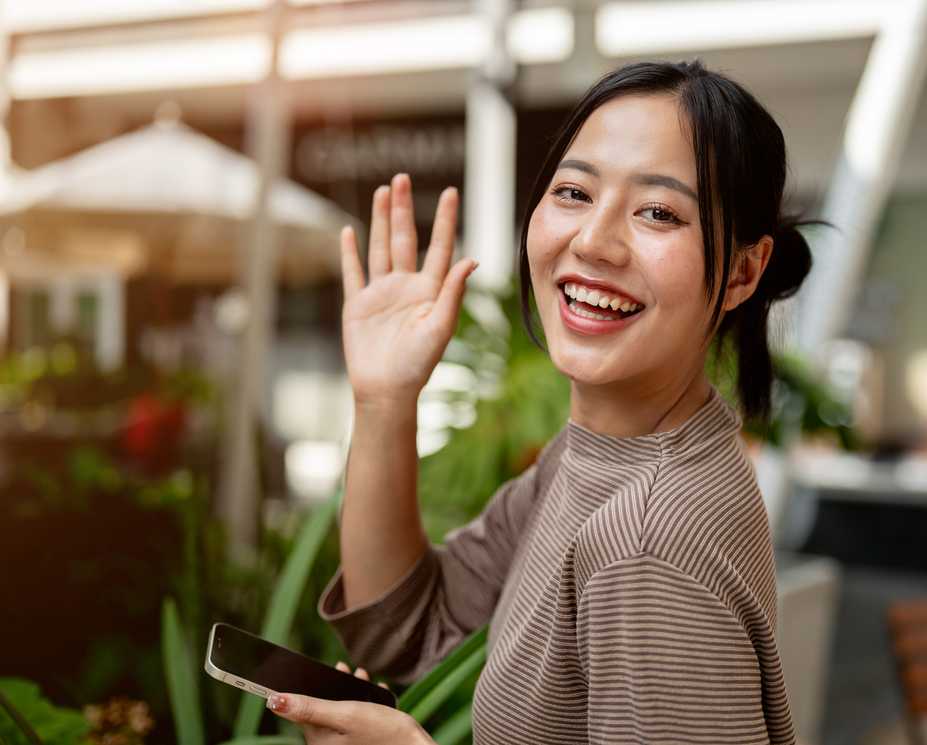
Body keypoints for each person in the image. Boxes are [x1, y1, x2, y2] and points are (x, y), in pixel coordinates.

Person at [267, 60, 813, 744]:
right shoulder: (599, 458)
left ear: (742, 271)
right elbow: (406, 628)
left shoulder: (646, 541)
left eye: (658, 211)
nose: (592, 241)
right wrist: (384, 401)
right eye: (575, 192)